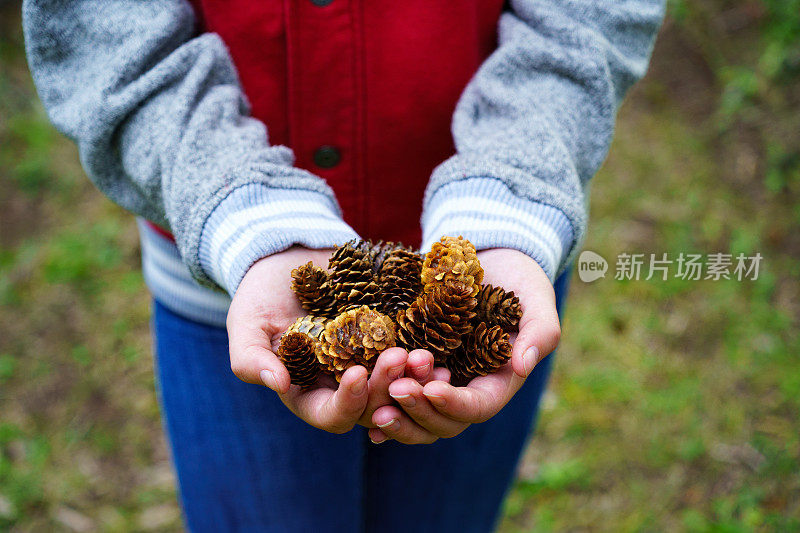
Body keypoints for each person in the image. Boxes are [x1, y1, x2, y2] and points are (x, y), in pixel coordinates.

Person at [23, 1, 664, 531]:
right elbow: (102, 29)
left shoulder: (486, 291)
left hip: (503, 243)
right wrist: (252, 219)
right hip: (233, 275)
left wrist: (510, 191)